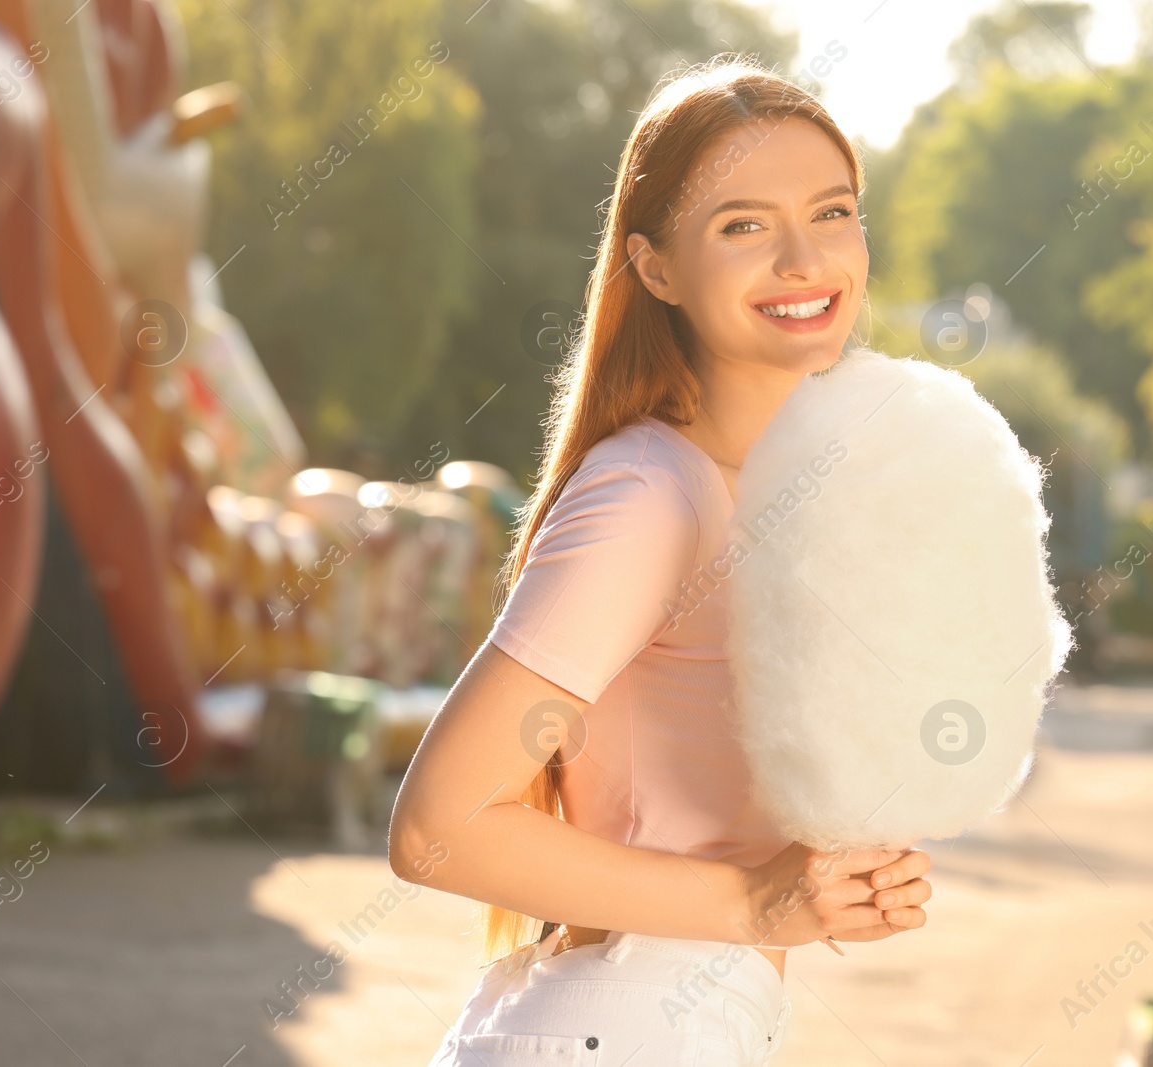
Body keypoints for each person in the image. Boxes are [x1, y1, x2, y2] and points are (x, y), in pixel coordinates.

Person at [389, 55, 933, 1065]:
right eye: (742, 226)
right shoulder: (651, 495)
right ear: (656, 267)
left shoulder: (765, 500)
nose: (803, 258)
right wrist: (759, 900)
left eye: (832, 211)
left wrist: (838, 873)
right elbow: (437, 827)